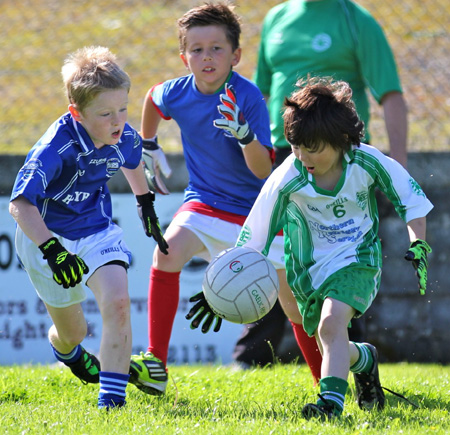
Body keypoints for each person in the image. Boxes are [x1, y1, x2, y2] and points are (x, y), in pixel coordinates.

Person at [128, 2, 322, 396]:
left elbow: (263, 171)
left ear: (235, 55)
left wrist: (246, 135)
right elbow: (151, 98)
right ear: (184, 58)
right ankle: (155, 365)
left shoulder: (247, 96)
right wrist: (148, 143)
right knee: (165, 254)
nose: (206, 56)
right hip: (204, 203)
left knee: (293, 306)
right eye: (196, 49)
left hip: (260, 214)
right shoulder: (177, 92)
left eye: (217, 48)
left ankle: (327, 382)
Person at [230, 76, 432, 419]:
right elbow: (256, 235)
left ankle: (330, 406)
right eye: (297, 146)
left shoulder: (366, 161)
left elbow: (411, 201)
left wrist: (419, 244)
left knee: (330, 325)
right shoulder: (288, 176)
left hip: (357, 260)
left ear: (341, 141)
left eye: (314, 148)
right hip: (306, 270)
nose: (303, 156)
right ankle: (363, 359)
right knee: (328, 337)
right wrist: (222, 285)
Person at [232, 0, 409, 367]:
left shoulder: (356, 20)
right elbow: (261, 93)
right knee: (276, 254)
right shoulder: (276, 17)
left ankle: (350, 358)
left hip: (336, 158)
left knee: (339, 253)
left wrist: (397, 169)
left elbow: (390, 94)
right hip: (283, 157)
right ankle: (251, 356)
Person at [9, 46, 168, 410]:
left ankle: (111, 404)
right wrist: (52, 249)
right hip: (44, 238)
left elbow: (130, 158)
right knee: (73, 333)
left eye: (123, 109)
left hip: (96, 229)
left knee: (117, 302)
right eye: (106, 113)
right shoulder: (56, 147)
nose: (118, 121)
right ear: (76, 113)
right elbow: (20, 203)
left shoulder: (122, 134)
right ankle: (67, 351)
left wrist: (145, 205)